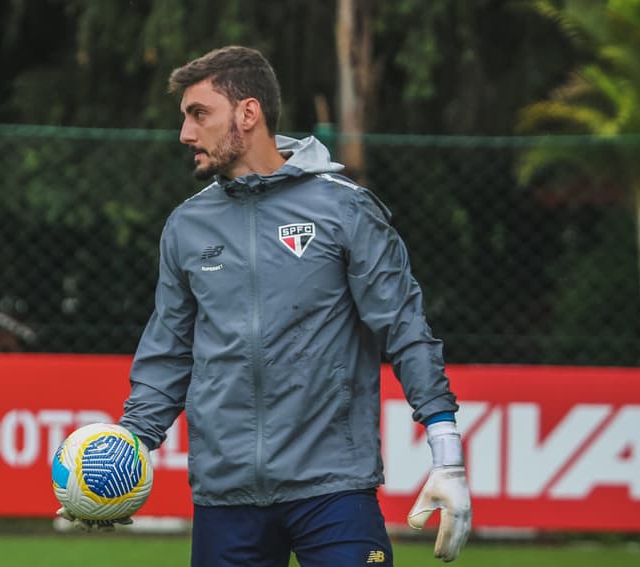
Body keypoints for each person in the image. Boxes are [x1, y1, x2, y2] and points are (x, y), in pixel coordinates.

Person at [60, 45, 471, 565]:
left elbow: (404, 328)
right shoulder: (186, 227)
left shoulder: (343, 208)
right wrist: (125, 455)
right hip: (225, 497)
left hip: (334, 489)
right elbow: (168, 352)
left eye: (199, 114)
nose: (186, 133)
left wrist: (447, 455)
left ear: (248, 113)